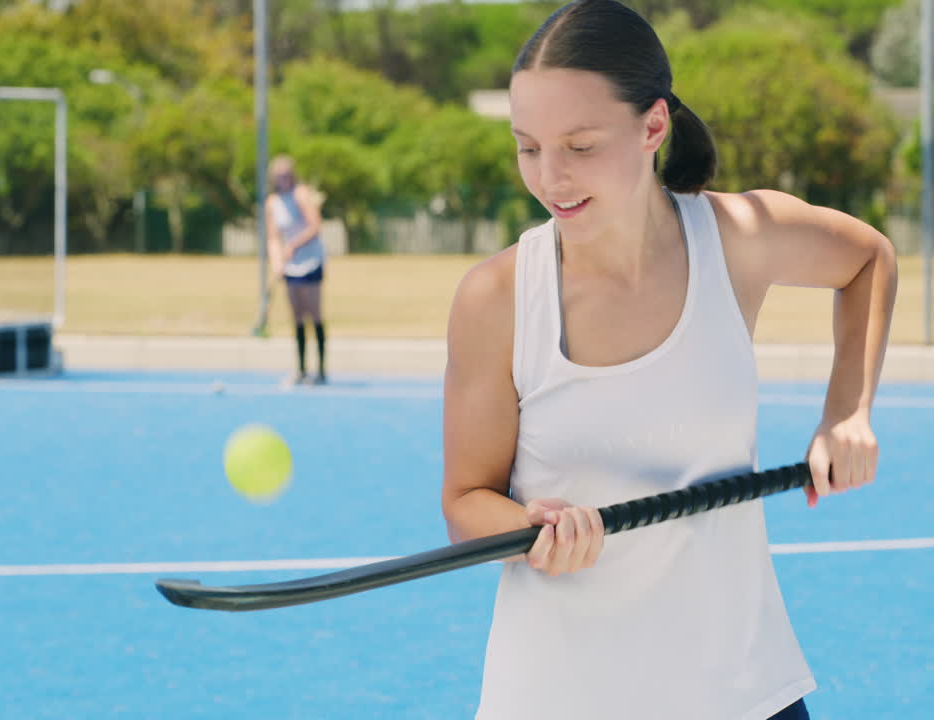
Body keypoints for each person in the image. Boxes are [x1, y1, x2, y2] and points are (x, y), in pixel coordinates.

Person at [440, 1, 898, 718]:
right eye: (528, 147)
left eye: (580, 146)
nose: (550, 177)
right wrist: (529, 532)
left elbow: (868, 258)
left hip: (745, 694)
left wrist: (847, 415)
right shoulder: (496, 298)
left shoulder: (737, 237)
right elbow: (466, 501)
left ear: (653, 126)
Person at [265, 155, 327, 386]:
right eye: (279, 175)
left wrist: (293, 245)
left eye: (286, 175)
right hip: (290, 265)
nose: (283, 179)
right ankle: (301, 370)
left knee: (314, 313)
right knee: (297, 316)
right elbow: (273, 238)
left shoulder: (300, 194)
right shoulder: (272, 202)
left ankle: (320, 371)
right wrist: (277, 263)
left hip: (311, 260)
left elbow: (315, 225)